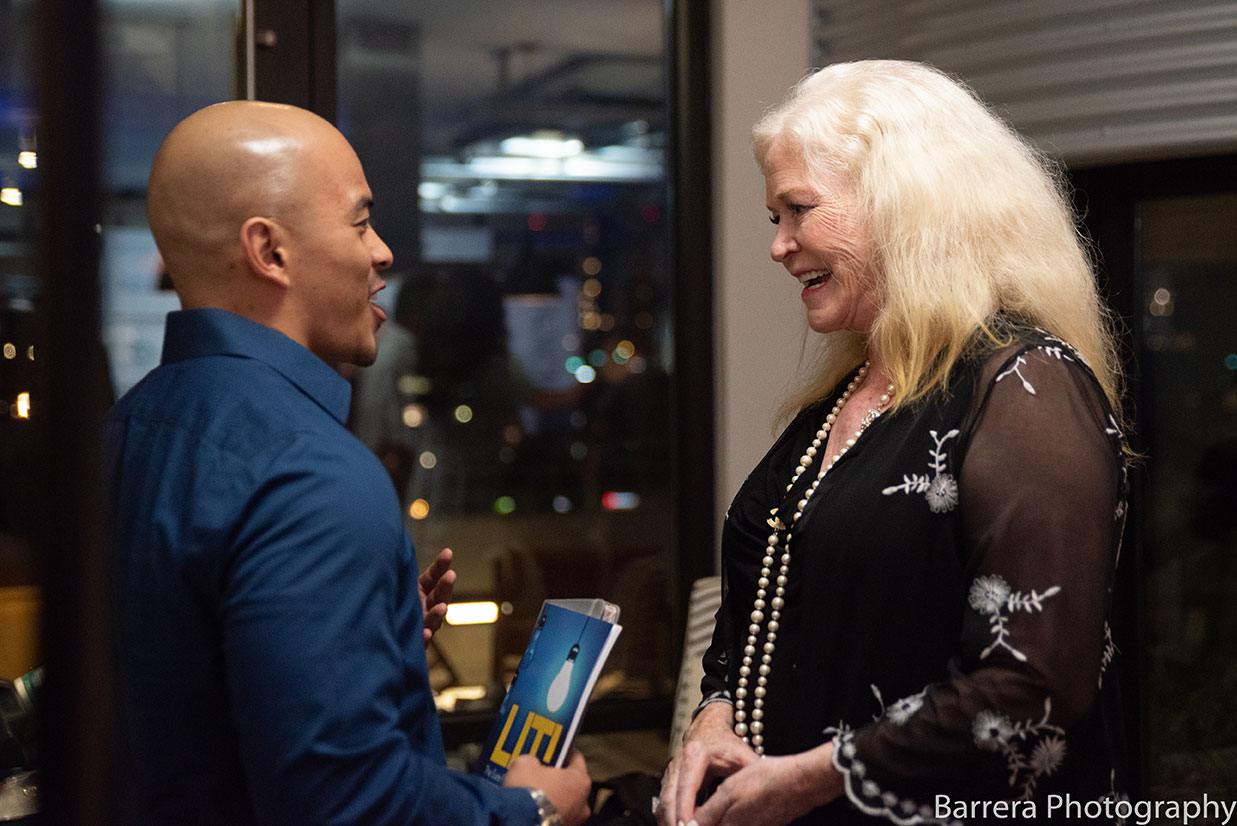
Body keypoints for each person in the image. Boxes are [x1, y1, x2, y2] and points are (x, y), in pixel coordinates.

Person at [658, 60, 1130, 826]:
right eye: (772, 218)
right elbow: (773, 599)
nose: (779, 245)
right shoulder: (842, 397)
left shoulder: (1024, 388)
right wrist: (716, 714)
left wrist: (813, 777)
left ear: (904, 206)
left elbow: (1034, 680)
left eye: (797, 209)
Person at [105, 100, 592, 826]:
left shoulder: (126, 429)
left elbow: (174, 674)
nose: (382, 251)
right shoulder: (311, 475)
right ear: (270, 251)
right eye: (360, 221)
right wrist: (530, 810)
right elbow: (348, 803)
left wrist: (367, 638)